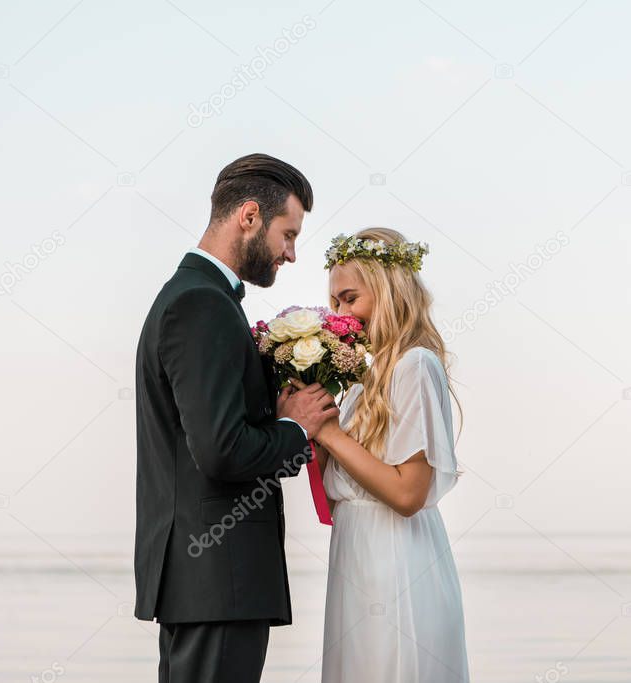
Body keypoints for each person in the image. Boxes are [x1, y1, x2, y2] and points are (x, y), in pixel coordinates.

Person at [133, 153, 339, 683]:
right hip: (216, 579)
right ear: (249, 216)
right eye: (288, 235)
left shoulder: (197, 298)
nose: (292, 254)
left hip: (204, 584)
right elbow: (222, 450)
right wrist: (295, 427)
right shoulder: (202, 304)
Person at [312, 227, 471, 682]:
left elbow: (408, 494)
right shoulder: (364, 380)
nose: (340, 313)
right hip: (356, 552)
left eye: (349, 298)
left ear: (387, 292)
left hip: (395, 558)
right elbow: (336, 475)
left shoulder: (414, 365)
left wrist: (328, 432)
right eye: (334, 302)